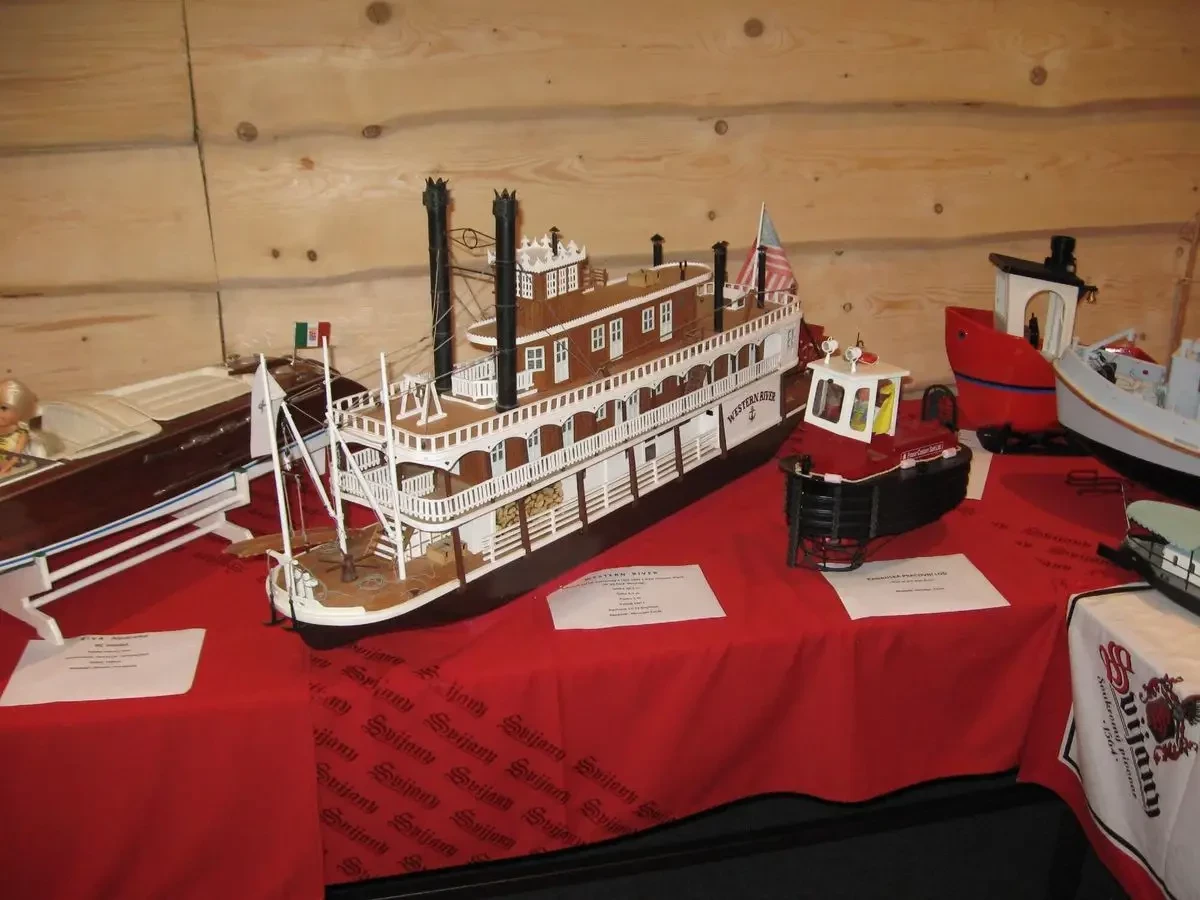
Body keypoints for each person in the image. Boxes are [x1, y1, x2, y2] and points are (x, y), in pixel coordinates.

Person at [0, 379, 39, 478]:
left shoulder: (21, 434)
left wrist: (6, 467)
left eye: (4, 408)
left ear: (19, 411)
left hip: (12, 468)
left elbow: (15, 457)